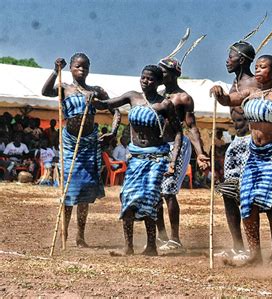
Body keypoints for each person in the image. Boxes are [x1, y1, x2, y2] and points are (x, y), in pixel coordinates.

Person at [210, 54, 272, 266]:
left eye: (263, 68)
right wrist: (219, 93)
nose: (258, 70)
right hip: (255, 155)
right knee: (247, 201)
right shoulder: (249, 94)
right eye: (257, 67)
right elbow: (227, 100)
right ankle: (255, 253)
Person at [95, 65, 182, 256]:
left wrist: (173, 162)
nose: (145, 81)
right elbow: (105, 104)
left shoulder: (164, 105)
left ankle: (151, 246)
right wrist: (92, 97)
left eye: (150, 79)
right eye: (143, 78)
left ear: (159, 83)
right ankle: (128, 246)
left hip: (156, 158)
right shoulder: (131, 96)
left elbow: (178, 133)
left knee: (150, 198)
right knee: (128, 196)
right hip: (135, 158)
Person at [41, 53, 121, 247]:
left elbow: (116, 110)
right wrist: (55, 70)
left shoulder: (96, 91)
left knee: (84, 190)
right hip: (70, 145)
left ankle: (81, 236)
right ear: (71, 68)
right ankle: (64, 232)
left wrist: (113, 131)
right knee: (69, 190)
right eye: (78, 66)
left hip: (89, 145)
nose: (82, 70)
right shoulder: (64, 88)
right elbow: (45, 92)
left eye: (85, 67)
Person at [155, 57, 210, 253]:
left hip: (177, 146)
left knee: (168, 192)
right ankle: (161, 236)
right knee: (155, 193)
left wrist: (201, 154)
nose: (161, 74)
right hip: (158, 148)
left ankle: (175, 239)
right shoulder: (157, 96)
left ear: (174, 74)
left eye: (164, 71)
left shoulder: (184, 98)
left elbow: (192, 127)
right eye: (159, 70)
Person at [215, 107, 251, 261]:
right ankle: (238, 246)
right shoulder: (234, 141)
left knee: (247, 206)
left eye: (240, 121)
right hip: (233, 179)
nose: (236, 125)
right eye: (234, 121)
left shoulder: (254, 139)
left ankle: (251, 249)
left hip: (249, 181)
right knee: (227, 194)